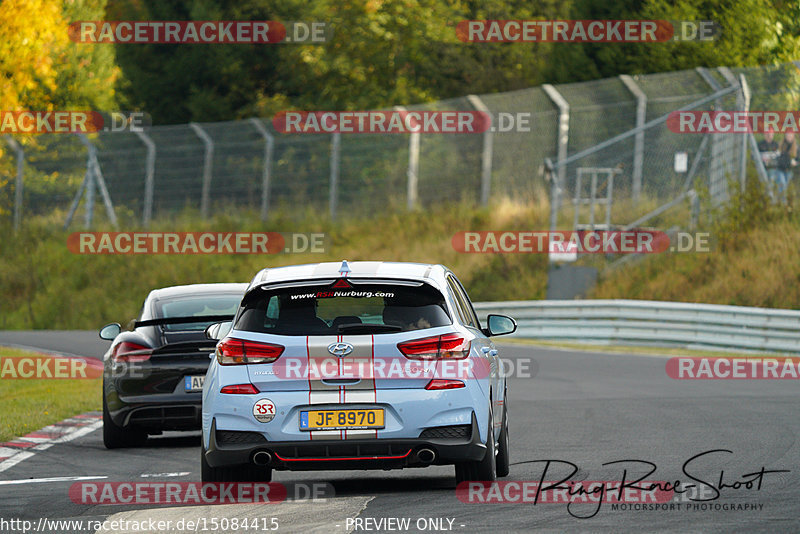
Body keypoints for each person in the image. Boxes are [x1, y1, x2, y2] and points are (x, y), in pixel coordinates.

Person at [775, 131, 798, 197]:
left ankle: (780, 202)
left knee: (785, 188)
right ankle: (783, 204)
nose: (789, 136)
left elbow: (797, 159)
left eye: (791, 135)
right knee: (782, 185)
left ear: (793, 136)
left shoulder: (796, 147)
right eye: (788, 135)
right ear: (785, 135)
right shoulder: (780, 145)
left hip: (789, 171)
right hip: (780, 169)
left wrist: (795, 162)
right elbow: (778, 158)